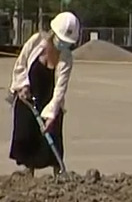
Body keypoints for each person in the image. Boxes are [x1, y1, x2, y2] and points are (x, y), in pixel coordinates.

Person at [8, 12, 80, 175]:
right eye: (61, 40)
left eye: (66, 43)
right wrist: (23, 85)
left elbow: (60, 88)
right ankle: (29, 169)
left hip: (49, 98)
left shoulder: (66, 58)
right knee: (27, 133)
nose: (62, 44)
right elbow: (21, 64)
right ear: (53, 33)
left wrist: (51, 114)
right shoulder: (35, 42)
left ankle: (58, 170)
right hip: (29, 96)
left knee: (53, 135)